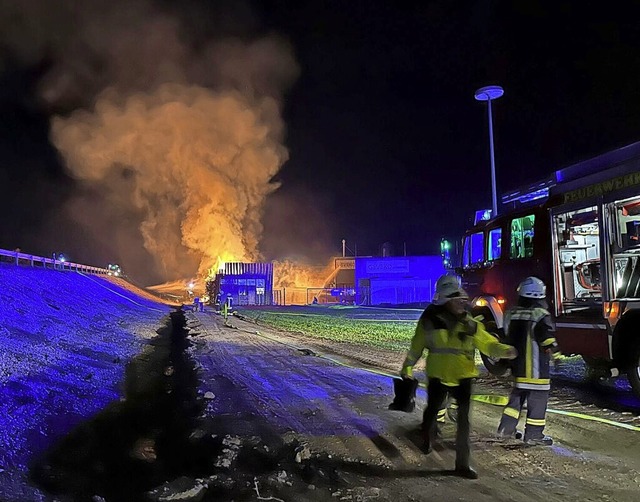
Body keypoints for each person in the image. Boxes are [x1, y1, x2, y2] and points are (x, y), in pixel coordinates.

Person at [400, 274, 517, 479]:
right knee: (432, 412)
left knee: (464, 422)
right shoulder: (429, 320)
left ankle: (462, 464)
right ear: (445, 301)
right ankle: (427, 437)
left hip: (463, 376)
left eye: (462, 299)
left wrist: (504, 351)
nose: (461, 303)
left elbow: (486, 342)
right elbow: (417, 345)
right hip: (438, 375)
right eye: (457, 299)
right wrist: (408, 367)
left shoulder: (468, 322)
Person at [496, 276, 560, 446]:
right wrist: (555, 353)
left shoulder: (511, 313)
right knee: (538, 402)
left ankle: (505, 430)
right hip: (536, 371)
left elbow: (506, 337)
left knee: (515, 400)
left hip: (518, 369)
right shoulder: (540, 314)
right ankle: (534, 435)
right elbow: (545, 339)